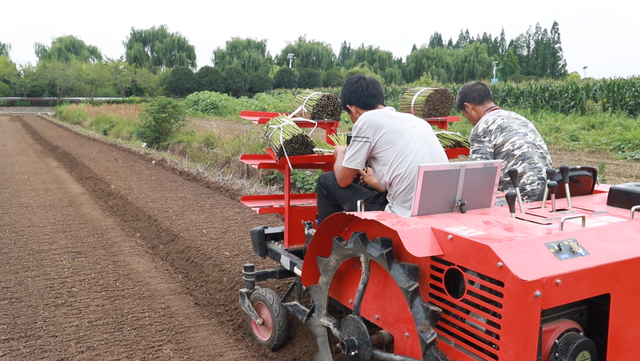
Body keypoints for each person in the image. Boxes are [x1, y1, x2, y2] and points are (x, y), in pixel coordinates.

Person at [315, 75, 448, 224]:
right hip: (438, 209)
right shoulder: (417, 121)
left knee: (326, 181)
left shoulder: (365, 120)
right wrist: (375, 181)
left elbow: (343, 180)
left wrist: (341, 153)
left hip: (402, 215)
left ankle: (329, 242)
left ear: (352, 109)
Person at [456, 81, 552, 201]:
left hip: (519, 199)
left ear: (468, 107)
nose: (468, 120)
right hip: (547, 193)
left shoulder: (482, 127)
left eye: (465, 115)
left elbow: (477, 178)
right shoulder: (520, 119)